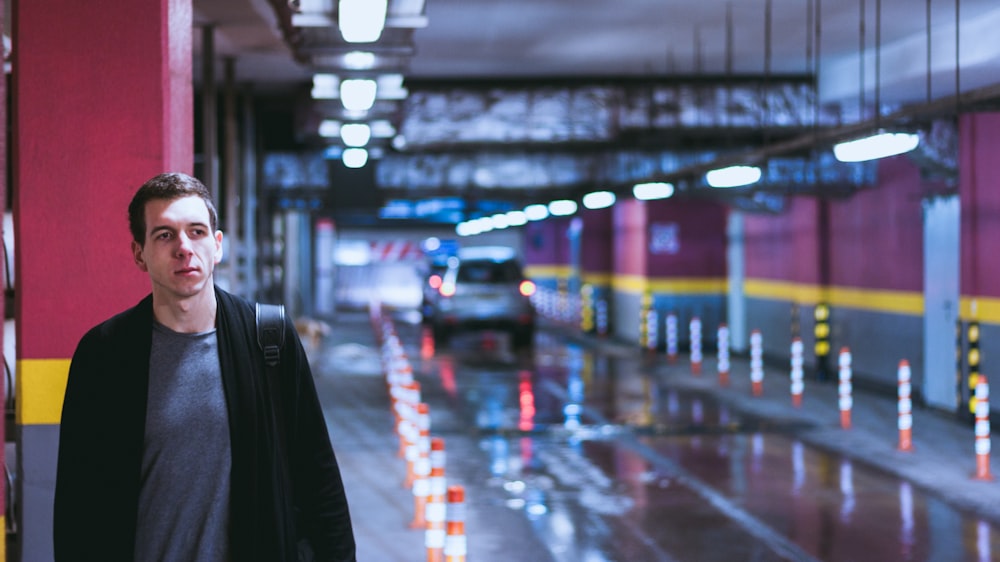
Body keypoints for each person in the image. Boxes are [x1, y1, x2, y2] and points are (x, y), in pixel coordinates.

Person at [53, 172, 356, 561]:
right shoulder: (104, 354)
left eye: (196, 232)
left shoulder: (270, 339)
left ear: (217, 246)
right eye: (164, 235)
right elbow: (78, 502)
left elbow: (319, 480)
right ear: (139, 253)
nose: (183, 248)